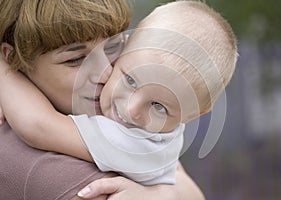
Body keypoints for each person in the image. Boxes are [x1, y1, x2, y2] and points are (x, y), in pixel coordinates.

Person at [0, 0, 237, 197]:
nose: (106, 73)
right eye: (75, 59)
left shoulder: (130, 128)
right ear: (10, 56)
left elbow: (37, 125)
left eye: (113, 46)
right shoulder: (49, 169)